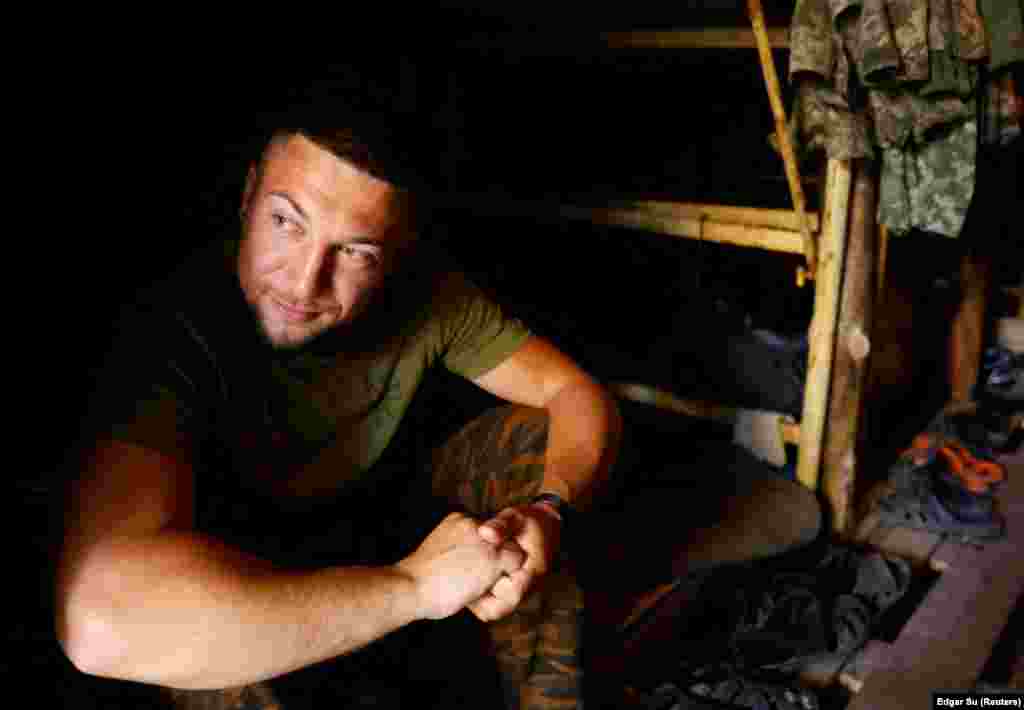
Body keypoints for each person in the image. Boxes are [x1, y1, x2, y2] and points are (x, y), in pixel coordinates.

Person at [55, 115, 823, 709]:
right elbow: (101, 621)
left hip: (365, 520)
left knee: (529, 468)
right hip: (244, 566)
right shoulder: (173, 327)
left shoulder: (426, 296)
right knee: (202, 657)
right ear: (248, 192)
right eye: (286, 222)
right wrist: (413, 589)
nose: (306, 280)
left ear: (393, 253)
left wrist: (548, 513)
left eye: (354, 251)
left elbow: (576, 398)